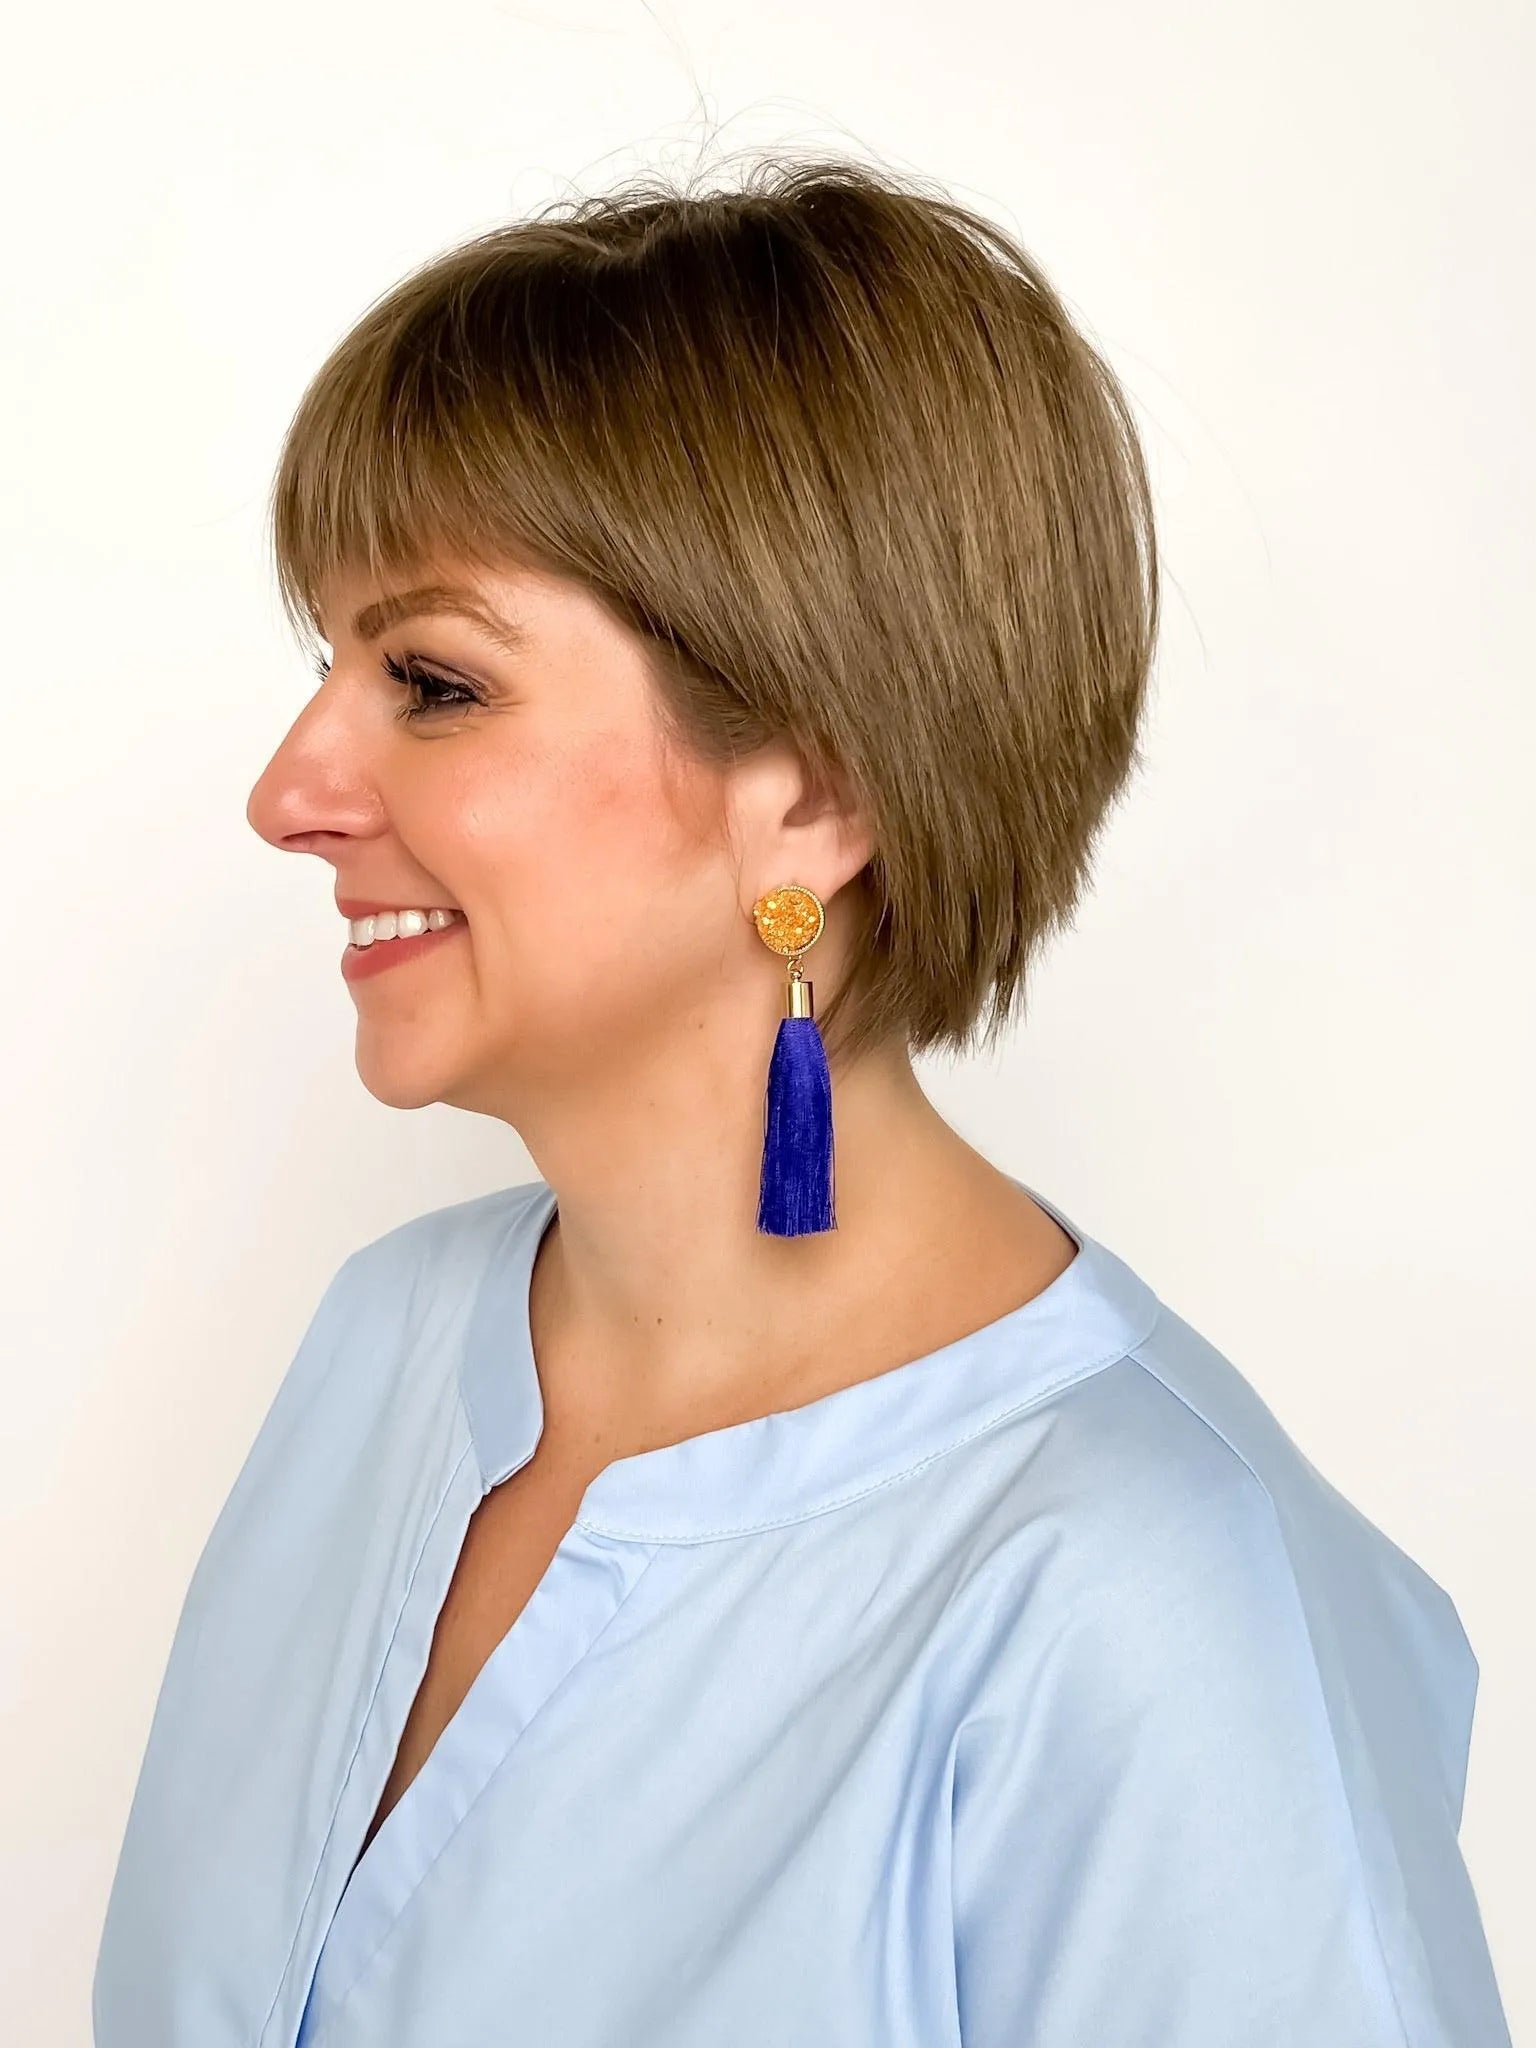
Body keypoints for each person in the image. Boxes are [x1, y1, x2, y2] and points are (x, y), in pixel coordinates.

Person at [92, 155, 1512, 2048]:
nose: (289, 793)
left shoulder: (1154, 1612)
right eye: (329, 662)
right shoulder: (384, 1350)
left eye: (431, 680)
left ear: (819, 795)